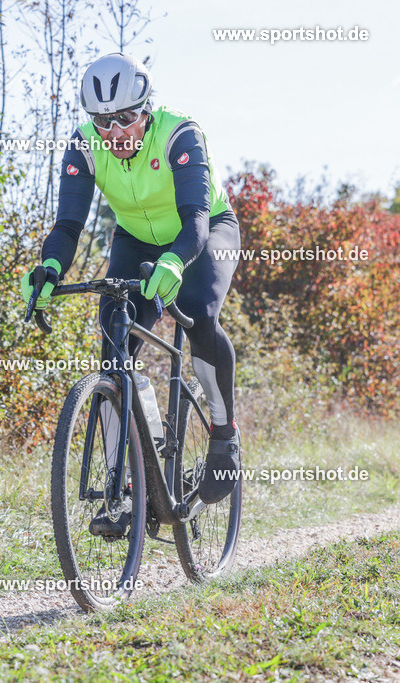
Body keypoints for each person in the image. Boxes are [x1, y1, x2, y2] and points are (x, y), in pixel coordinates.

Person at [21, 52, 242, 521]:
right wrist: (50, 267)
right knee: (113, 339)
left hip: (204, 233)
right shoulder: (84, 147)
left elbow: (197, 222)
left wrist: (177, 261)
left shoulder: (181, 133)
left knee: (199, 311)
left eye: (125, 117)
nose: (115, 131)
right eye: (103, 121)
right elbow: (67, 225)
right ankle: (127, 476)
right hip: (136, 239)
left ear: (145, 109)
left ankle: (225, 435)